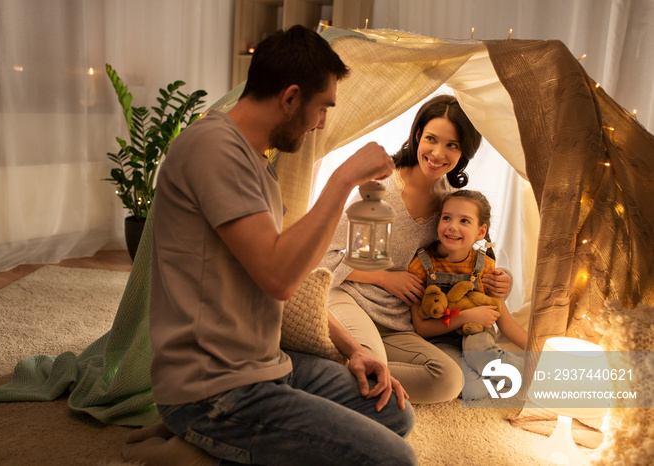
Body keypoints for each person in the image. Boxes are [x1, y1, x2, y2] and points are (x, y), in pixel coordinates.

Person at [130, 25, 418, 466]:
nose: (322, 122)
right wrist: (344, 179)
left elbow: (279, 280)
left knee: (395, 415)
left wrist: (354, 349)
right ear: (290, 98)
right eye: (322, 108)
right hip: (213, 387)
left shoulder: (257, 166)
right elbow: (278, 277)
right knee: (393, 460)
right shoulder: (213, 148)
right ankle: (187, 445)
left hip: (265, 365)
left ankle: (204, 446)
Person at [320, 94, 512, 404]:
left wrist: (502, 281)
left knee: (450, 380)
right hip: (350, 299)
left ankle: (346, 373)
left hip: (398, 320)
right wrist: (384, 277)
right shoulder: (380, 189)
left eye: (452, 145)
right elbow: (325, 259)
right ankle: (339, 374)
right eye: (432, 139)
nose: (438, 153)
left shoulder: (449, 204)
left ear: (464, 152)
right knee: (374, 364)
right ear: (417, 135)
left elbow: (461, 259)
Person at [409, 190, 527, 400]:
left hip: (477, 334)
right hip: (440, 339)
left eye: (464, 220)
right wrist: (466, 316)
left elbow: (506, 324)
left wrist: (544, 355)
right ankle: (494, 368)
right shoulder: (421, 264)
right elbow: (422, 328)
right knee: (471, 389)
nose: (453, 226)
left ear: (481, 231)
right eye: (447, 218)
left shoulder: (485, 266)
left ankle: (535, 374)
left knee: (477, 349)